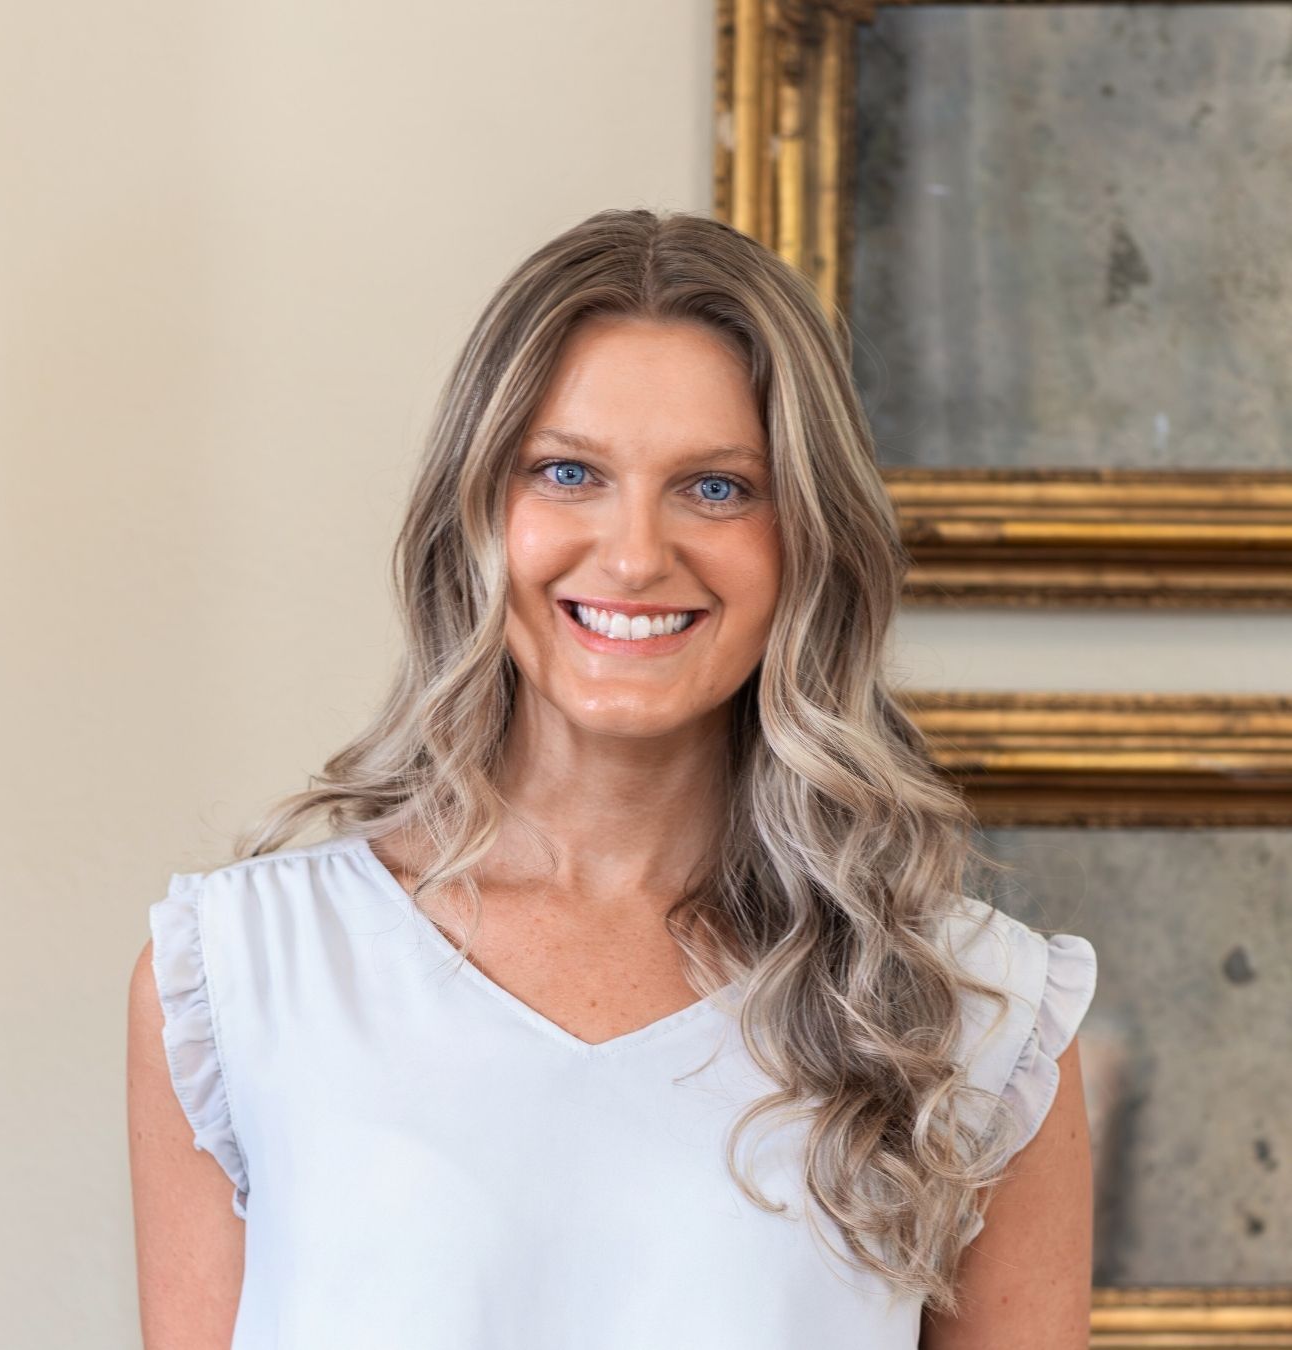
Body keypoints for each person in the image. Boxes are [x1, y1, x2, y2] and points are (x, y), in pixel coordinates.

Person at [128, 207, 1097, 1349]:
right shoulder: (237, 979)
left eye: (719, 488)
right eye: (568, 472)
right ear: (476, 514)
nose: (636, 555)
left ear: (809, 542)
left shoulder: (972, 1014)